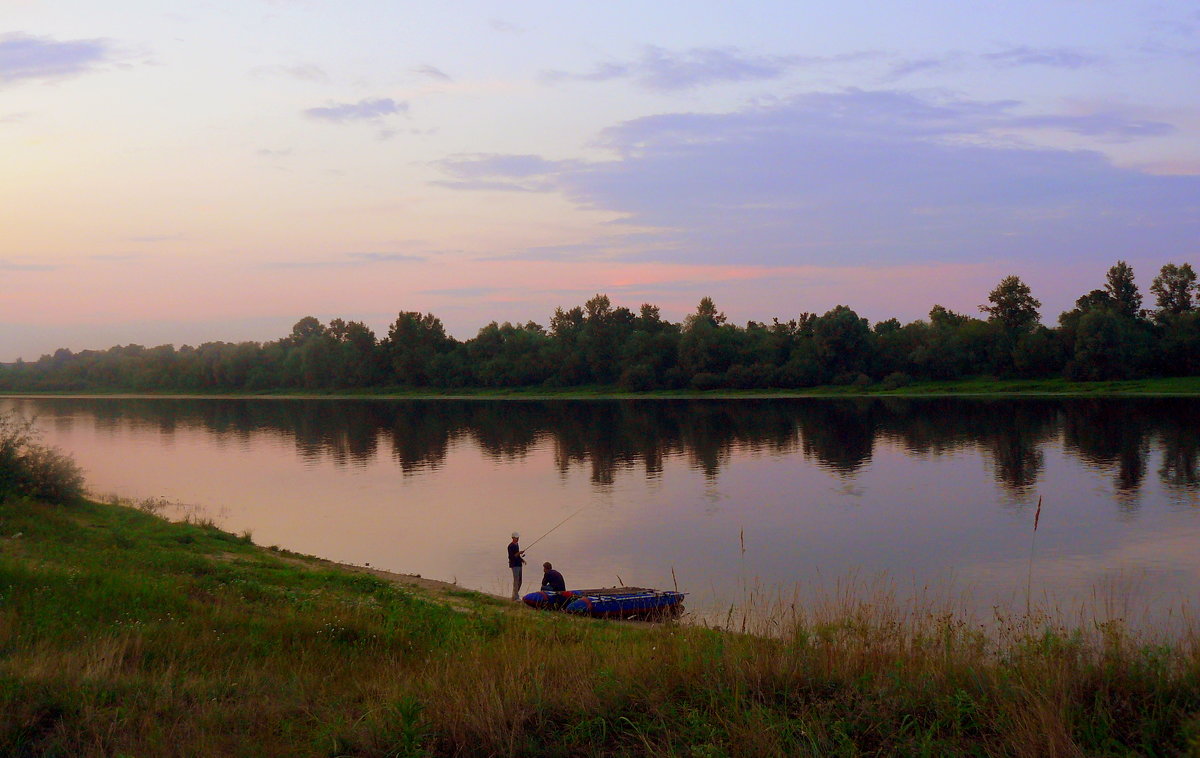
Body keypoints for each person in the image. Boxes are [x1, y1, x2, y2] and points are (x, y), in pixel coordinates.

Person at [508, 531, 526, 601]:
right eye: (516, 538)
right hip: (514, 565)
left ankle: (514, 595)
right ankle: (516, 597)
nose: (517, 539)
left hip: (519, 564)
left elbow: (518, 556)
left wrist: (522, 560)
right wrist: (519, 553)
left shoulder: (517, 545)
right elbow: (512, 557)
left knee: (520, 581)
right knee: (516, 580)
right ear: (512, 538)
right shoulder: (510, 546)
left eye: (518, 538)